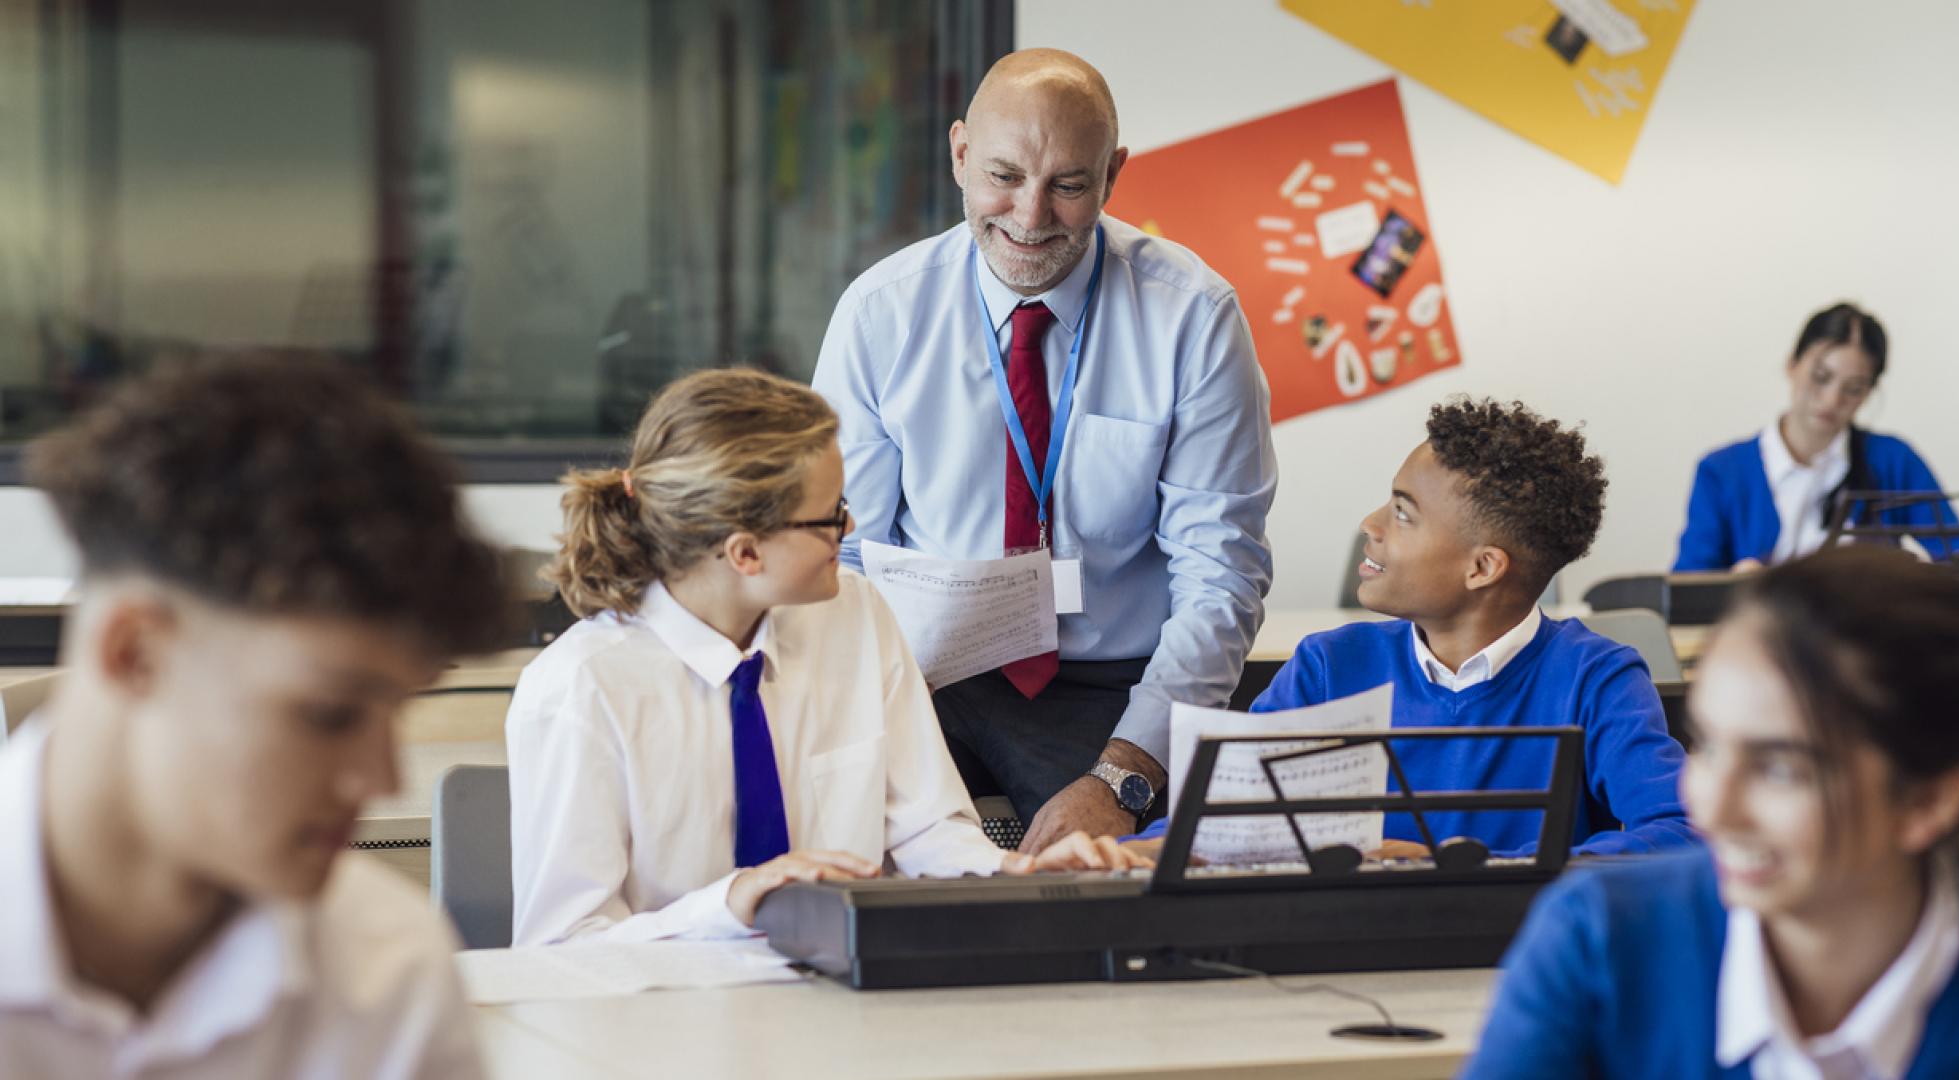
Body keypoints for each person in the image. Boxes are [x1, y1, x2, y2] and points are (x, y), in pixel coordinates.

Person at [812, 48, 1277, 853]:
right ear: (960, 155)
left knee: (1116, 889)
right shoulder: (880, 313)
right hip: (924, 675)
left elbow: (1220, 574)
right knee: (853, 862)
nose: (1029, 217)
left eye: (1068, 184)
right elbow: (845, 554)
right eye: (1003, 176)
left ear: (1113, 175)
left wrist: (1124, 776)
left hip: (1107, 683)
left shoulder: (1191, 318)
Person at [0, 356, 510, 1078]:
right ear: (135, 652)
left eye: (392, 715)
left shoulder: (388, 971)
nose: (380, 780)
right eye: (331, 715)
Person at [507, 369, 1144, 946]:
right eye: (831, 516)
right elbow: (562, 948)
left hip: (847, 1005)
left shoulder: (857, 615)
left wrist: (1017, 874)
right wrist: (729, 905)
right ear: (745, 553)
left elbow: (924, 829)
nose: (851, 525)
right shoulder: (581, 689)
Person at [1465, 545, 1959, 1079]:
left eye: (1781, 769)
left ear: (1929, 800)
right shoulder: (1599, 939)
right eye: (1710, 747)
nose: (1714, 810)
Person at [1133, 398, 1694, 858]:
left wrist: (1466, 870)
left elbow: (1685, 831)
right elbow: (1220, 825)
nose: (1370, 525)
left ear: (1482, 568)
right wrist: (1127, 856)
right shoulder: (1329, 667)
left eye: (1403, 513)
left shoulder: (1595, 676)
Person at [1673, 302, 1959, 571]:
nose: (1832, 400)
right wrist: (1732, 587)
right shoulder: (1722, 472)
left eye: (1853, 388)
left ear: (1869, 392)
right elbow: (1686, 591)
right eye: (1821, 377)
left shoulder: (1894, 461)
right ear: (1792, 365)